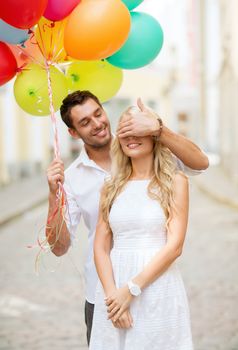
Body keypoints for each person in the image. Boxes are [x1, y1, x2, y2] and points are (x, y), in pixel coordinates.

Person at [46, 90, 208, 345]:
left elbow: (201, 162)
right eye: (85, 122)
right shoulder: (79, 179)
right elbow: (59, 247)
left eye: (98, 113)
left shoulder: (159, 162)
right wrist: (54, 194)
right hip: (103, 293)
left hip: (155, 286)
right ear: (74, 133)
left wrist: (158, 129)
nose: (97, 123)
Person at [89, 107, 193, 349]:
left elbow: (175, 246)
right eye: (125, 131)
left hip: (156, 286)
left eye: (137, 130)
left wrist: (131, 290)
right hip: (114, 289)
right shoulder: (110, 186)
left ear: (153, 135)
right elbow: (100, 247)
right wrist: (113, 296)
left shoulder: (175, 182)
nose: (131, 137)